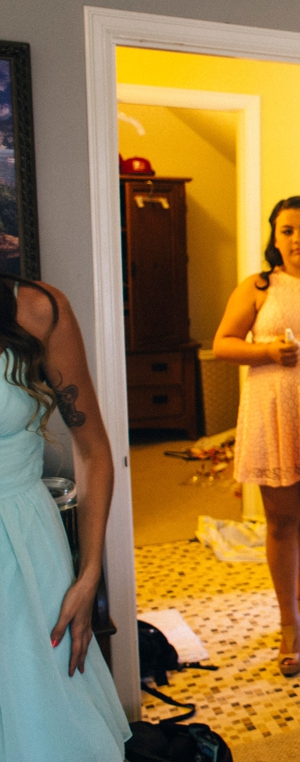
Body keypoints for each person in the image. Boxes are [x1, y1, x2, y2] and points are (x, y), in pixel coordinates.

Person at [213, 196, 300, 676]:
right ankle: (288, 622)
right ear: (275, 238)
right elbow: (222, 344)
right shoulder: (258, 287)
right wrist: (269, 352)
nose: (297, 239)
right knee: (281, 520)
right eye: (287, 231)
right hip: (273, 410)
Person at [0, 273, 130, 761]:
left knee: (49, 725)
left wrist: (89, 572)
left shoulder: (37, 309)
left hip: (24, 553)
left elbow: (93, 451)